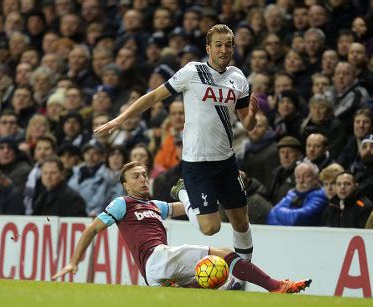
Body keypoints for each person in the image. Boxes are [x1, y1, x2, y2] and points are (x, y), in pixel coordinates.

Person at [95, 24, 259, 262]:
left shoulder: (238, 78)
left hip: (226, 162)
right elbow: (153, 96)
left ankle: (242, 278)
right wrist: (120, 119)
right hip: (197, 163)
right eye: (218, 45)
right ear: (208, 48)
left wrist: (253, 116)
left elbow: (249, 125)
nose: (224, 49)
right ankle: (183, 192)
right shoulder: (192, 72)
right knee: (210, 228)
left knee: (241, 221)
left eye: (228, 45)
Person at [51, 161, 311, 293]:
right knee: (222, 255)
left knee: (205, 285)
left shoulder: (155, 206)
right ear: (126, 185)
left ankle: (231, 287)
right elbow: (91, 230)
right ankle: (276, 286)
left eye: (144, 174)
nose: (142, 179)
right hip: (156, 258)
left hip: (156, 273)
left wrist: (221, 193)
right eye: (135, 177)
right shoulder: (122, 203)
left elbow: (190, 208)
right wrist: (74, 261)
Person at [266, 162, 327, 226]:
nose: (301, 181)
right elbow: (271, 215)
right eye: (298, 177)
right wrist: (283, 230)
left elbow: (297, 218)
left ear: (316, 179)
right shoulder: (292, 193)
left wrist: (278, 211)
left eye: (306, 176)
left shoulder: (321, 195)